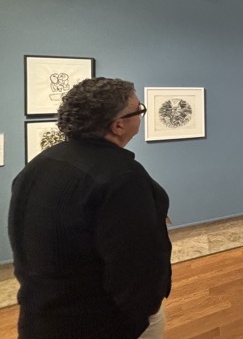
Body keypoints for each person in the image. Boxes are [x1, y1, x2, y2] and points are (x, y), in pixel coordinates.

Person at [8, 77, 172, 339]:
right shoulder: (121, 175)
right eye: (139, 110)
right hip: (99, 322)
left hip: (42, 315)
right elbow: (135, 266)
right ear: (118, 125)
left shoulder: (42, 162)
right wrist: (144, 312)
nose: (141, 116)